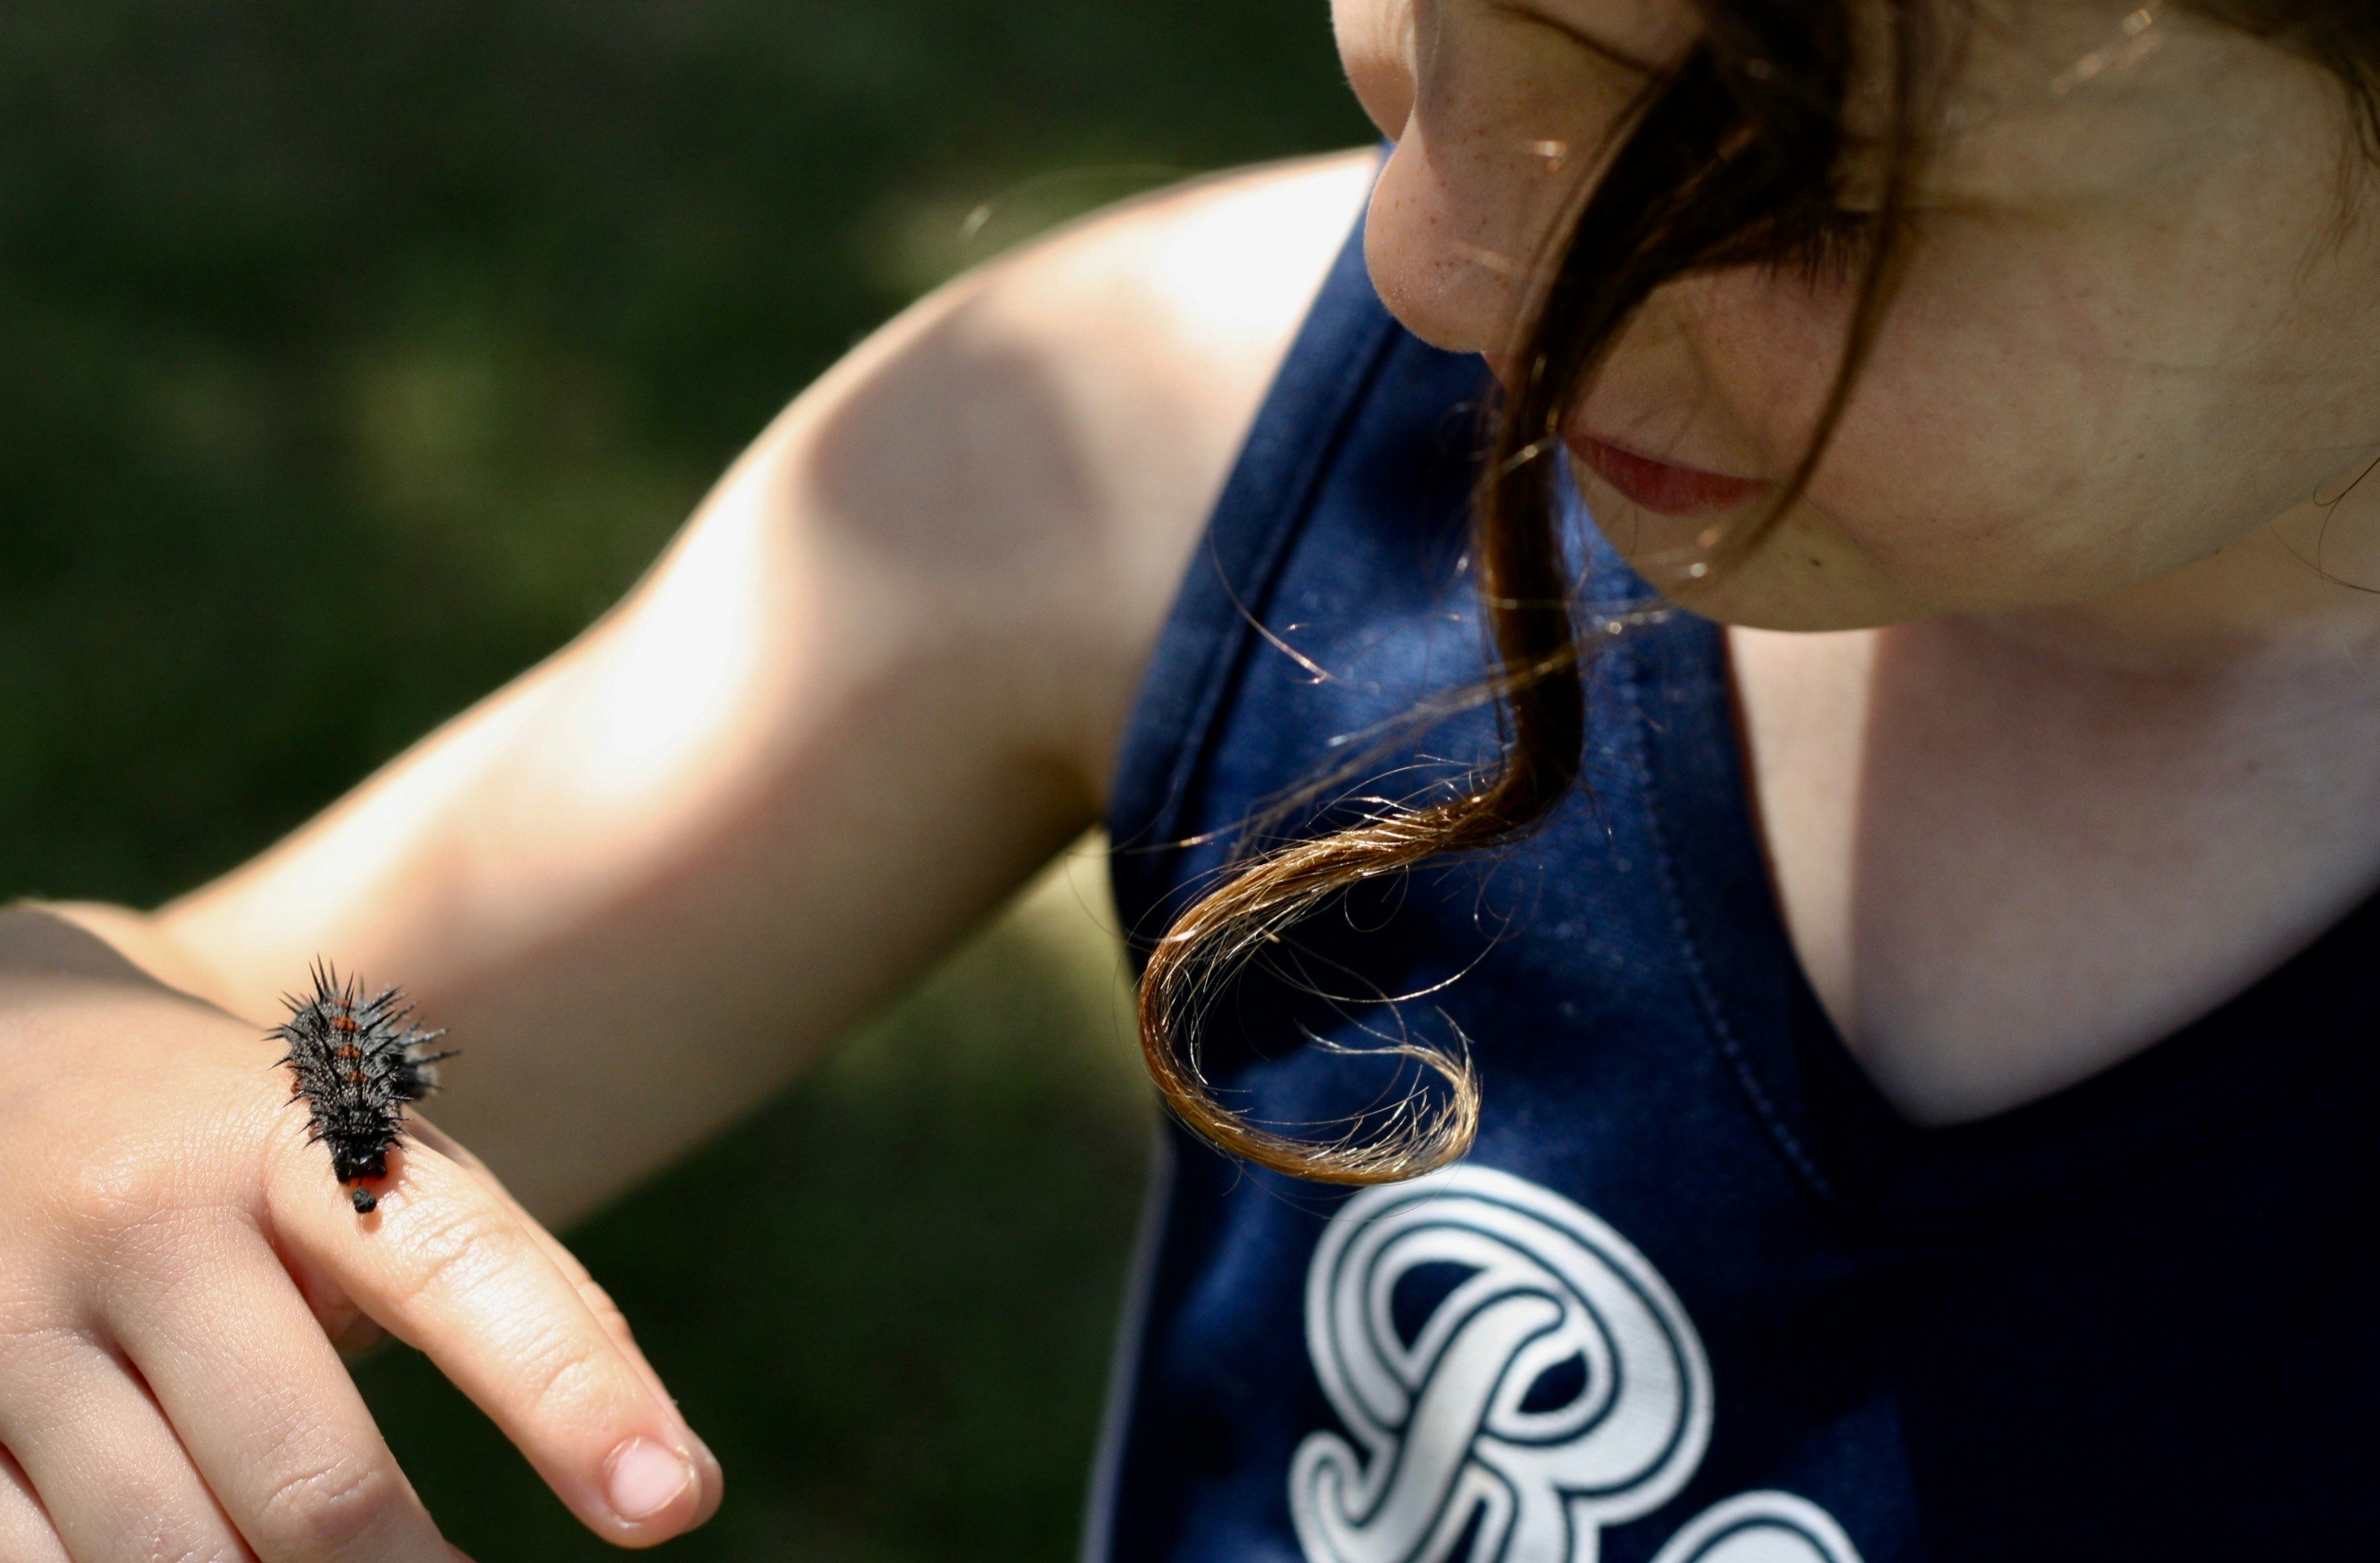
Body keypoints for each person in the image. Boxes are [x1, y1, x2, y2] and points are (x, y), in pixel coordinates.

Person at [4, 0, 2378, 1555]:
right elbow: (180, 1020)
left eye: (1792, 185)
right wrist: (67, 1080)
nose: (1439, 265)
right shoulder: (1160, 439)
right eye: (1444, 15)